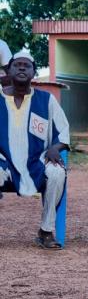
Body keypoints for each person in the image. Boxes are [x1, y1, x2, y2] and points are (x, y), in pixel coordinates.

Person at [0, 49, 69, 249]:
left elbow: (63, 130)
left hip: (35, 162)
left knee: (56, 173)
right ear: (8, 71)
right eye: (17, 65)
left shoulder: (46, 100)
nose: (22, 68)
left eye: (26, 65)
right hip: (3, 162)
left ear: (33, 72)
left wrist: (55, 147)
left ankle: (46, 231)